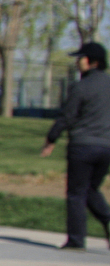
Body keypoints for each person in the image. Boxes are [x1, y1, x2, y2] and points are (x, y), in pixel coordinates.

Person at [41, 39, 110, 251]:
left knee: (76, 193)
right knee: (90, 189)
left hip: (82, 147)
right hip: (107, 148)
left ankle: (76, 240)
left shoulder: (81, 87)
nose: (78, 62)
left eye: (81, 58)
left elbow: (67, 116)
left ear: (92, 62)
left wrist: (51, 138)